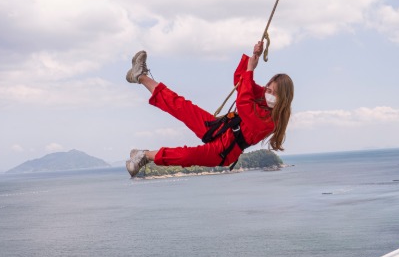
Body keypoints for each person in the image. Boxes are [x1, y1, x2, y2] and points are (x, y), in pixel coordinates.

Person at [124, 41, 294, 177]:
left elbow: (244, 105)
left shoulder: (271, 122)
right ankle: (139, 76)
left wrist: (250, 70)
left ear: (283, 99)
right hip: (219, 127)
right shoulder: (263, 97)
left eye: (274, 93)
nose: (268, 94)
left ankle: (144, 156)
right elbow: (240, 83)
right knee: (181, 105)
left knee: (186, 156)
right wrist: (253, 56)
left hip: (224, 151)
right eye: (268, 89)